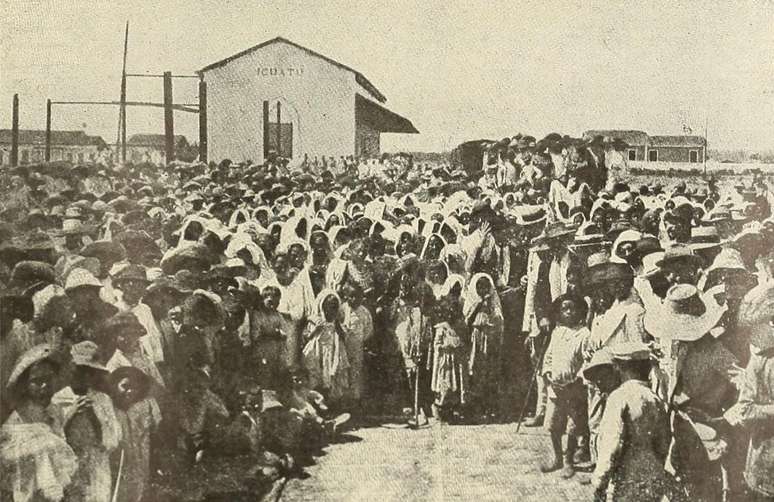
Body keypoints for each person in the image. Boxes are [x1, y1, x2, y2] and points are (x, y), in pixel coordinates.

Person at [592, 343, 672, 502]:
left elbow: (611, 446)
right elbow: (664, 444)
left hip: (626, 480)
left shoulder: (619, 397)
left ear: (620, 367)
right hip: (652, 477)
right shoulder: (655, 399)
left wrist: (598, 483)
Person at [1, 344, 77, 502]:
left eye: (48, 380)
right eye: (37, 381)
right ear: (25, 386)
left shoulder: (55, 410)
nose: (44, 387)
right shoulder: (20, 416)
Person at [51, 341, 121, 502]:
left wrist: (95, 417)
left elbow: (113, 440)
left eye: (91, 372)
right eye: (81, 371)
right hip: (71, 466)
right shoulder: (59, 400)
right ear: (72, 370)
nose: (86, 377)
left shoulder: (102, 400)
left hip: (97, 465)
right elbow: (54, 440)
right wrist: (71, 413)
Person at [540, 294, 590, 478]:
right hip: (555, 387)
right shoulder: (557, 332)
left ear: (579, 311)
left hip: (573, 389)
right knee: (553, 425)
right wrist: (547, 373)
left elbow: (586, 362)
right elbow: (549, 357)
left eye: (572, 308)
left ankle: (568, 460)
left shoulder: (584, 334)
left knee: (572, 427)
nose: (568, 312)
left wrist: (577, 379)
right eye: (564, 309)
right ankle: (557, 458)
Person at [463, 273, 504, 421]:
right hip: (476, 337)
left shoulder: (493, 301)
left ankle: (490, 407)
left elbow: (499, 319)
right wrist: (479, 303)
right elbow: (466, 320)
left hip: (490, 337)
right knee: (475, 370)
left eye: (486, 287)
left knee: (490, 372)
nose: (483, 289)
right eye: (479, 287)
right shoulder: (471, 300)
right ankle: (474, 407)